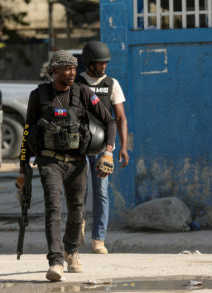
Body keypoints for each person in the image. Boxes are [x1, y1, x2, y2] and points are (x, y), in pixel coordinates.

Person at [16, 50, 116, 282]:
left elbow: (109, 120)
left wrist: (108, 152)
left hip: (77, 162)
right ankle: (55, 260)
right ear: (54, 71)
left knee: (77, 211)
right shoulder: (39, 95)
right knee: (53, 208)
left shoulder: (82, 93)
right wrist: (23, 169)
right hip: (50, 161)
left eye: (74, 68)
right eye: (66, 69)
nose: (72, 73)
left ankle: (71, 250)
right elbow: (28, 131)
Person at [75, 41, 129, 254]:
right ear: (89, 63)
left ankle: (98, 239)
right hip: (79, 146)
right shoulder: (77, 82)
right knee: (79, 192)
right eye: (99, 63)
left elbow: (121, 117)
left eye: (105, 63)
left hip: (103, 148)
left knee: (102, 193)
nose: (103, 67)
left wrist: (122, 147)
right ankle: (77, 227)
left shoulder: (111, 83)